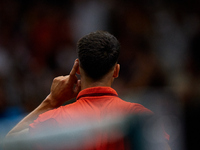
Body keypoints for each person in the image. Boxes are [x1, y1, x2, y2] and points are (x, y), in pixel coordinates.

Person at [4, 31, 170, 150]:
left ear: (77, 68)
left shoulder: (54, 119)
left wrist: (51, 101)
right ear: (116, 71)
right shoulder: (140, 118)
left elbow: (9, 142)